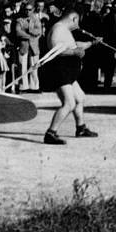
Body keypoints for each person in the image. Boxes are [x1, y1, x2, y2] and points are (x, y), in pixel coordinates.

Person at [44, 9, 100, 145]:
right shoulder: (58, 29)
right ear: (73, 18)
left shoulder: (64, 30)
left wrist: (92, 43)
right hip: (60, 72)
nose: (78, 25)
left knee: (80, 98)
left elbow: (74, 45)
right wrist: (74, 52)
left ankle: (81, 128)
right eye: (78, 22)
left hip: (68, 72)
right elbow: (55, 49)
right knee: (69, 103)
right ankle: (50, 133)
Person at [15, 3, 42, 92]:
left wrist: (31, 30)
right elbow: (18, 32)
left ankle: (34, 87)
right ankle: (23, 87)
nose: (28, 11)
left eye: (30, 9)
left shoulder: (36, 19)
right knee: (22, 66)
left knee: (34, 66)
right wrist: (29, 36)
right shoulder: (20, 20)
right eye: (26, 9)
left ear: (33, 10)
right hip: (23, 45)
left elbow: (39, 31)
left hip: (34, 46)